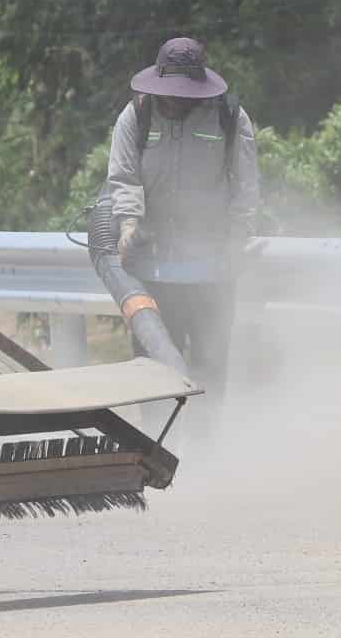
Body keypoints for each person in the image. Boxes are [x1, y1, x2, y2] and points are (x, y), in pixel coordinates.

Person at [101, 36, 260, 391]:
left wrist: (238, 236)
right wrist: (128, 224)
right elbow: (123, 176)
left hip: (212, 276)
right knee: (153, 377)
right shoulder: (137, 114)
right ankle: (154, 446)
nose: (176, 99)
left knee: (209, 373)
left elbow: (246, 185)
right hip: (152, 272)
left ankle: (207, 447)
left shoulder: (229, 116)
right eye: (170, 91)